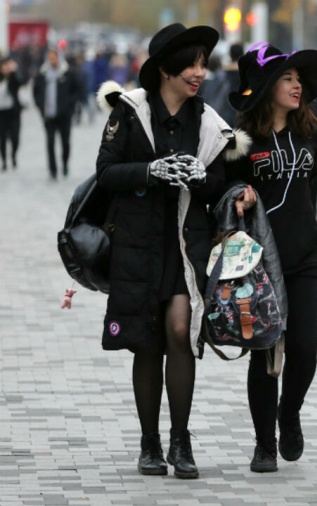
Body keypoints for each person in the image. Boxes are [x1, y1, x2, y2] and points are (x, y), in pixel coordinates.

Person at [95, 23, 242, 479]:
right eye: (191, 66)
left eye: (203, 64)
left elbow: (217, 185)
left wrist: (201, 177)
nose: (200, 73)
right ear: (165, 70)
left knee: (181, 330)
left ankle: (181, 441)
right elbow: (106, 173)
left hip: (184, 245)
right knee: (147, 341)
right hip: (138, 245)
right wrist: (152, 170)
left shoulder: (209, 122)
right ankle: (149, 443)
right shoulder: (130, 111)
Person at [225, 41, 317, 473]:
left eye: (298, 78)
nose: (296, 85)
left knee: (304, 350)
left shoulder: (309, 132)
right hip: (260, 262)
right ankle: (264, 444)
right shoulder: (242, 140)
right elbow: (223, 191)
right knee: (264, 354)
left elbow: (312, 190)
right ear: (267, 86)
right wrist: (240, 195)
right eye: (287, 78)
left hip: (305, 257)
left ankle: (290, 413)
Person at [33, 47, 82, 179]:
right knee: (50, 143)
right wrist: (40, 106)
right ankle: (52, 169)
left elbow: (77, 90)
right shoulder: (42, 74)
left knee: (65, 142)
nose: (52, 60)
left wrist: (69, 106)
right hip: (48, 115)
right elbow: (36, 92)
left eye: (54, 58)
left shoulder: (67, 73)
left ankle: (65, 163)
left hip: (64, 116)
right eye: (50, 58)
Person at [0, 56, 23, 171]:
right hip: (1, 113)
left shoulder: (13, 78)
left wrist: (13, 72)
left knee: (15, 137)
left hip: (13, 112)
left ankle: (13, 156)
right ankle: (4, 161)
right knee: (2, 138)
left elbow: (21, 82)